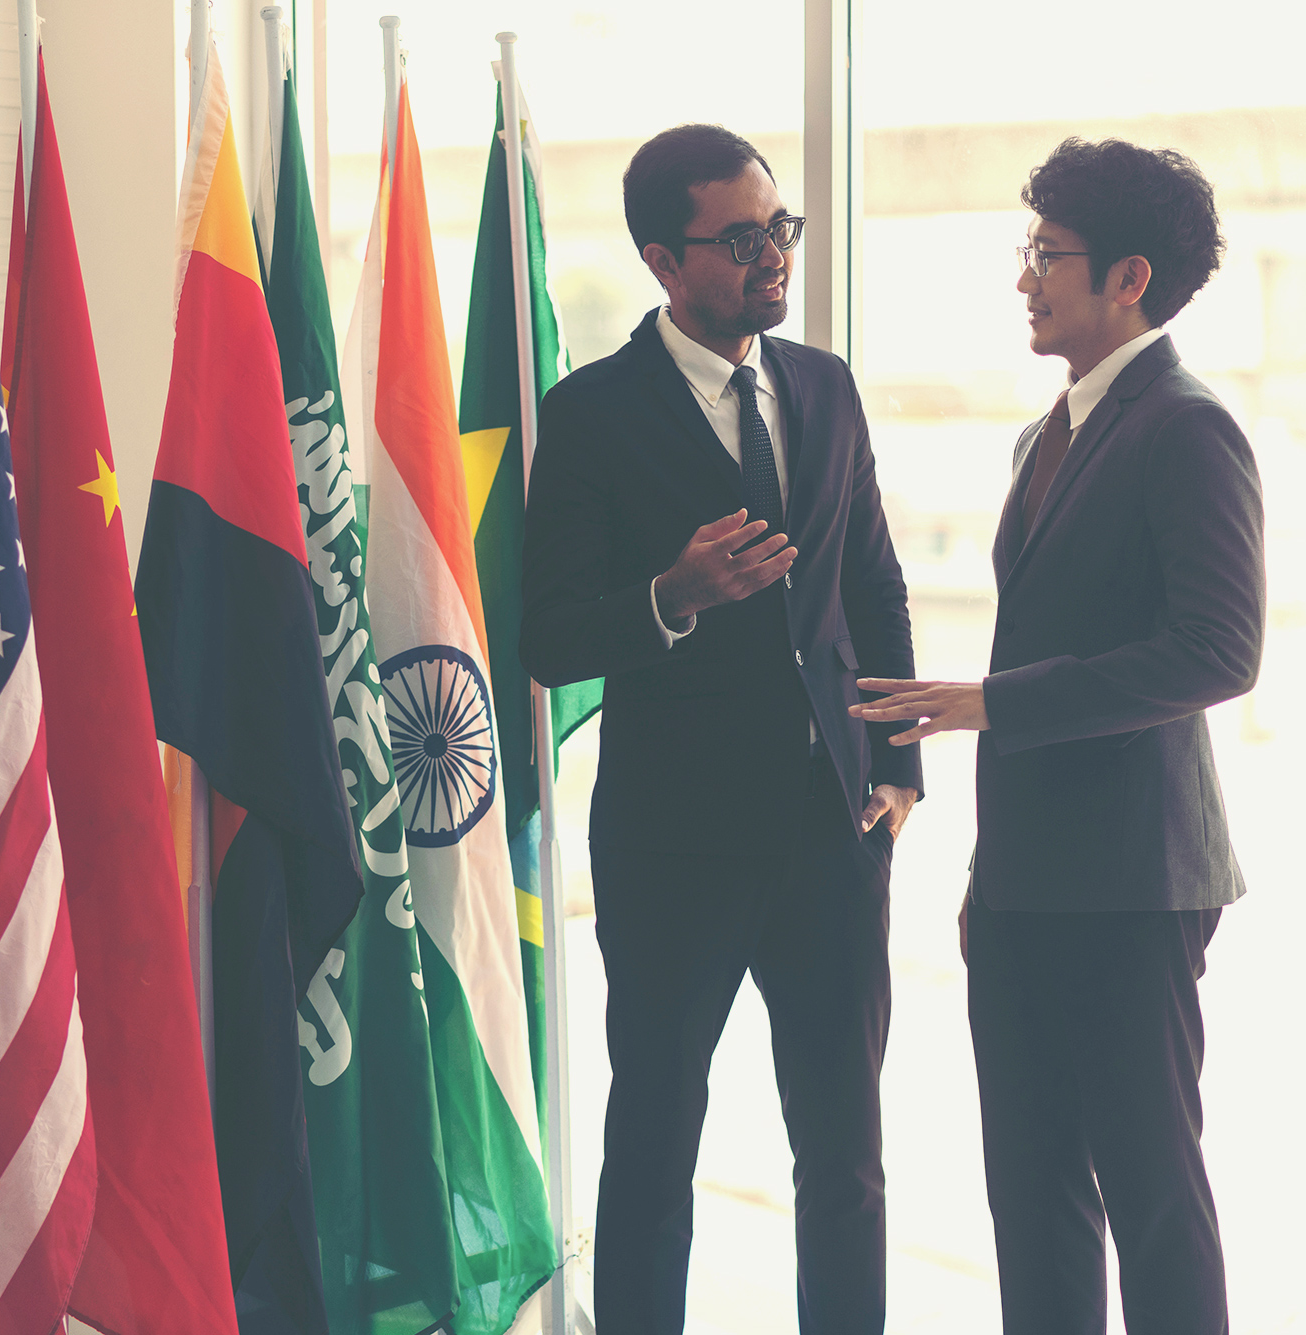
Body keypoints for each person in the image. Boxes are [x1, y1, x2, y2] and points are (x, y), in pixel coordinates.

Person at [851, 138, 1263, 1335]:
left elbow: (1216, 654)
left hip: (1134, 884)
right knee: (1027, 1196)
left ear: (1127, 278)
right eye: (1025, 252)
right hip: (1031, 885)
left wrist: (991, 699)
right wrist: (992, 872)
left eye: (1046, 255)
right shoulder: (1044, 437)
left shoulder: (1184, 427)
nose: (1024, 278)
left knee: (1149, 1193)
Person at [521, 123, 920, 1335]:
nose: (771, 257)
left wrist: (895, 768)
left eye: (778, 228)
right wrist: (670, 598)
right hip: (672, 846)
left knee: (844, 1161)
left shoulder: (823, 386)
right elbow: (546, 637)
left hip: (829, 836)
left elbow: (873, 587)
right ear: (661, 259)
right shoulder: (586, 414)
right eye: (739, 239)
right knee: (650, 1151)